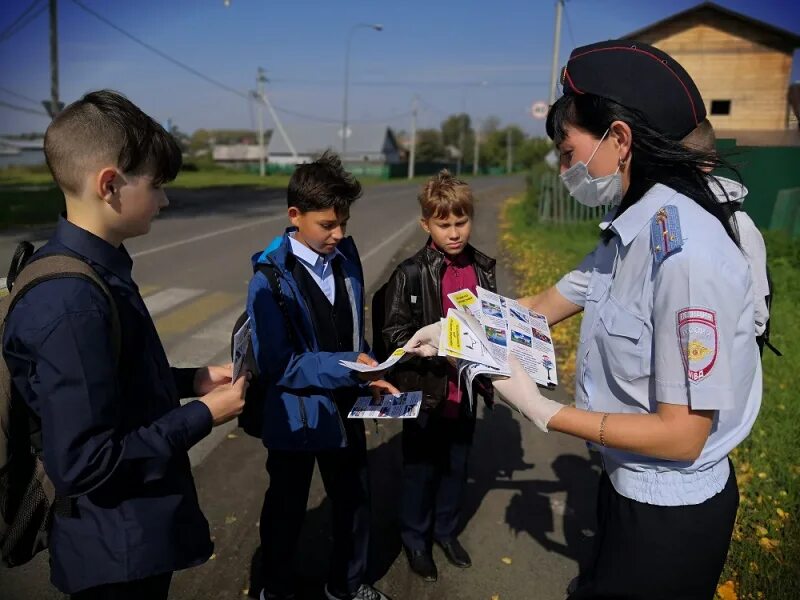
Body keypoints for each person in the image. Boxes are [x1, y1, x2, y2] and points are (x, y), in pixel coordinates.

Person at [404, 40, 761, 600]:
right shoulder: (634, 231)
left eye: (568, 151)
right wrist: (451, 331)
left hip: (670, 513)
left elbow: (681, 437)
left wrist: (545, 411)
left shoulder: (684, 252)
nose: (564, 167)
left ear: (618, 140)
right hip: (623, 482)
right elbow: (539, 309)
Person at [2, 90, 249, 599]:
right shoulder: (73, 301)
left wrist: (192, 381)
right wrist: (205, 413)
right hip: (116, 554)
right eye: (156, 185)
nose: (164, 199)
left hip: (126, 536)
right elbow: (85, 463)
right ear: (110, 185)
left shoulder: (91, 268)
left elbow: (109, 382)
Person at [247, 152, 395, 600]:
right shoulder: (269, 280)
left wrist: (371, 369)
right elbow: (280, 365)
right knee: (287, 509)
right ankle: (273, 588)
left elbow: (351, 330)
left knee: (353, 501)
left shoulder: (346, 258)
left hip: (346, 410)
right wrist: (349, 364)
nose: (339, 234)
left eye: (344, 222)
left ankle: (346, 585)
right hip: (295, 417)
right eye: (327, 224)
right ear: (295, 216)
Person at [381, 170, 496, 582]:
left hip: (465, 392)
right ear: (426, 224)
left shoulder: (482, 268)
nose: (454, 233)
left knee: (455, 467)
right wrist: (429, 349)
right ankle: (415, 538)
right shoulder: (411, 272)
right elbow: (392, 330)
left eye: (461, 222)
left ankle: (445, 531)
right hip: (426, 393)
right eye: (444, 224)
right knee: (419, 470)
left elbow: (491, 324)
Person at [683, 119, 772, 352]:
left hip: (722, 361)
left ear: (709, 161)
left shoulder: (739, 227)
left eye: (683, 162)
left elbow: (757, 314)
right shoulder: (661, 219)